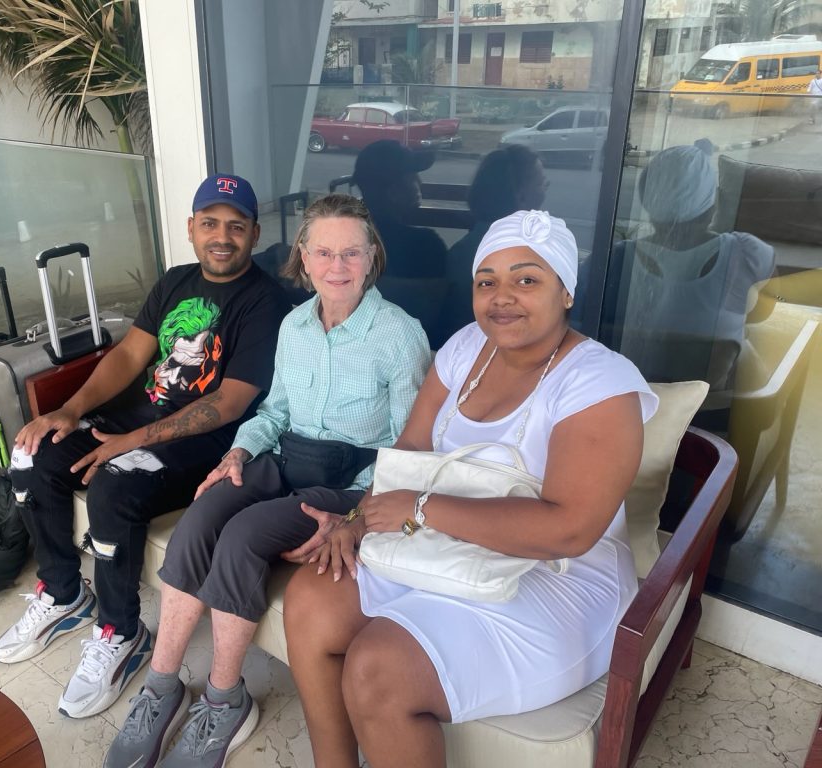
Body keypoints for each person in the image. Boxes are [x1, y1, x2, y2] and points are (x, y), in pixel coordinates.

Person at [283, 210, 660, 768]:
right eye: (487, 281)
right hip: (445, 542)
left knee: (379, 668)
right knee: (312, 597)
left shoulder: (598, 383)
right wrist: (357, 521)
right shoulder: (465, 349)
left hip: (557, 579)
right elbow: (411, 448)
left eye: (526, 279)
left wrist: (419, 509)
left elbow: (570, 530)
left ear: (566, 292)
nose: (502, 297)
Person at [103, 194, 430, 768]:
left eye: (351, 253)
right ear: (303, 257)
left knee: (243, 534)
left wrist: (357, 516)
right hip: (282, 457)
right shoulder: (295, 325)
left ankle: (224, 700)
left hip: (349, 478)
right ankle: (161, 687)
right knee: (203, 514)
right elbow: (274, 411)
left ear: (372, 256)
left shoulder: (399, 335)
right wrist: (238, 452)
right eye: (323, 252)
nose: (336, 266)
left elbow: (409, 448)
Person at [0, 174, 291, 720]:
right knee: (32, 453)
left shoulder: (265, 302)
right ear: (191, 228)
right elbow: (129, 356)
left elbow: (228, 403)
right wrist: (70, 410)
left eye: (236, 226)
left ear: (254, 233)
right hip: (134, 418)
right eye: (210, 223)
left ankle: (120, 632)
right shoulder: (176, 281)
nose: (221, 237)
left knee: (115, 483)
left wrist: (128, 443)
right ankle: (62, 593)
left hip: (204, 442)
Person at [600, 142, 774, 428]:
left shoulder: (614, 260)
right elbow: (764, 313)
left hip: (627, 410)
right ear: (713, 204)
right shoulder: (747, 255)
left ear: (647, 202)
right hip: (710, 416)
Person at [440, 144, 549, 342]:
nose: (545, 192)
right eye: (542, 184)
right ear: (521, 196)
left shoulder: (462, 251)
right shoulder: (526, 254)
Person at [353, 139, 449, 347]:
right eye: (412, 176)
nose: (419, 182)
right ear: (393, 192)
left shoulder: (345, 243)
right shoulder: (426, 247)